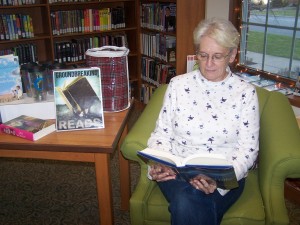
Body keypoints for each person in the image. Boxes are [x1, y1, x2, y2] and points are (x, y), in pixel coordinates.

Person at [146, 17, 260, 225]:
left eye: (217, 56)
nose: (208, 64)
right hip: (177, 173)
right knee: (191, 199)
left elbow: (248, 150)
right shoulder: (178, 85)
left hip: (224, 178)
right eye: (203, 55)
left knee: (186, 202)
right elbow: (161, 133)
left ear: (232, 55)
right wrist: (158, 163)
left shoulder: (245, 93)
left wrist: (217, 181)